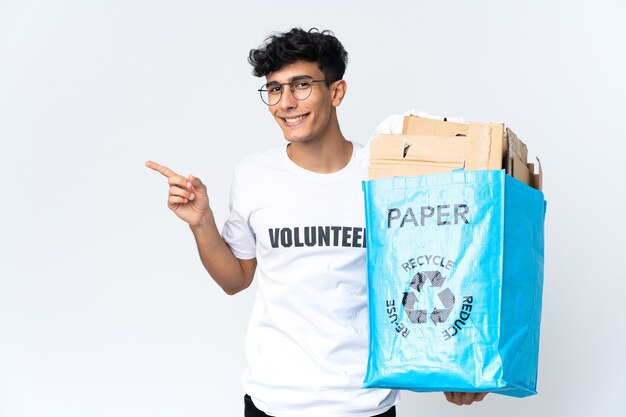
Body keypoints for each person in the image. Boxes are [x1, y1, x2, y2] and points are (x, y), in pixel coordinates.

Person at [146, 27, 487, 416]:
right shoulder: (253, 175)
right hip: (273, 401)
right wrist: (201, 221)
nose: (286, 103)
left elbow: (434, 272)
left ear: (337, 92)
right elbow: (235, 279)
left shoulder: (387, 176)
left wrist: (459, 368)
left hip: (365, 403)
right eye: (275, 90)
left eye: (302, 85)